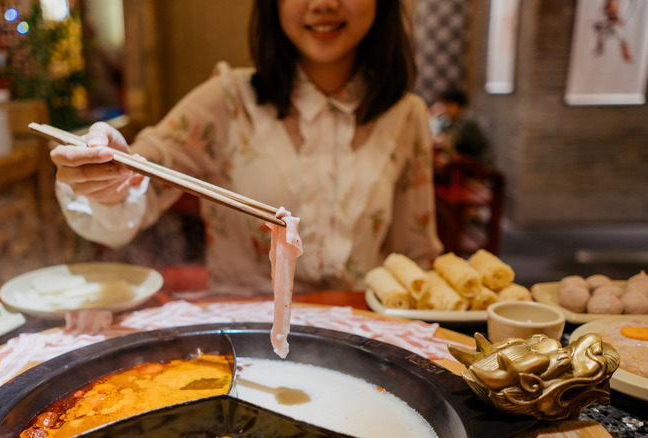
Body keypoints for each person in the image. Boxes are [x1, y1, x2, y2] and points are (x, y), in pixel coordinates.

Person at [51, 0, 442, 293]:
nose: (323, 4)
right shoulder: (228, 99)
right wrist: (108, 172)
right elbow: (142, 176)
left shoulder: (405, 115)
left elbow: (414, 262)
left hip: (361, 342)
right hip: (241, 341)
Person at [431, 88, 490, 166]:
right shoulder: (451, 121)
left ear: (459, 105)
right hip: (461, 164)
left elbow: (481, 148)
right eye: (445, 105)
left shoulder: (467, 122)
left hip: (473, 165)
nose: (446, 109)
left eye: (449, 105)